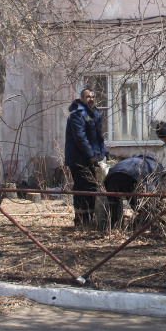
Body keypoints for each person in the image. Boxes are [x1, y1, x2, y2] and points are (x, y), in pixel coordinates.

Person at [65, 88, 107, 227]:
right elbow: (80, 138)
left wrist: (104, 153)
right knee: (82, 189)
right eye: (88, 96)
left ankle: (90, 219)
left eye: (93, 96)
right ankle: (81, 221)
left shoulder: (95, 113)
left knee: (92, 190)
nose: (91, 99)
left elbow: (99, 137)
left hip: (92, 160)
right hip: (79, 160)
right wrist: (91, 156)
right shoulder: (77, 114)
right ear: (81, 98)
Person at [104, 152, 166, 227]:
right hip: (134, 178)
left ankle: (110, 226)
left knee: (112, 203)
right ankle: (145, 226)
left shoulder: (131, 160)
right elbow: (152, 188)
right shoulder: (154, 164)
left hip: (112, 177)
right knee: (143, 203)